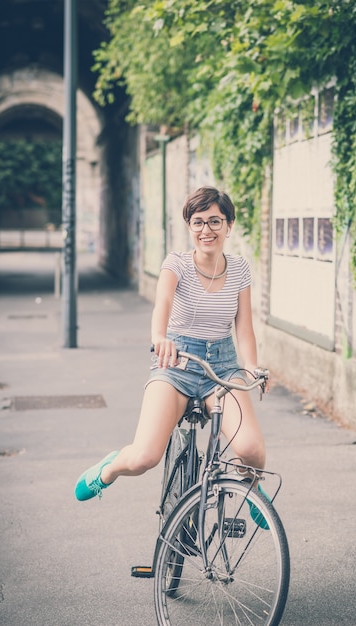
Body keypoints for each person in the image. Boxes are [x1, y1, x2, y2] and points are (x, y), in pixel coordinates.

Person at [75, 185, 270, 508]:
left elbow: (244, 327)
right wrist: (160, 338)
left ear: (229, 226)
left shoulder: (239, 269)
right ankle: (109, 468)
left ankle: (248, 485)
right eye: (198, 222)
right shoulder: (176, 263)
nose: (206, 230)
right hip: (177, 362)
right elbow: (161, 306)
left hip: (222, 366)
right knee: (144, 457)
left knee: (251, 451)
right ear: (189, 227)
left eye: (215, 221)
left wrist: (252, 367)